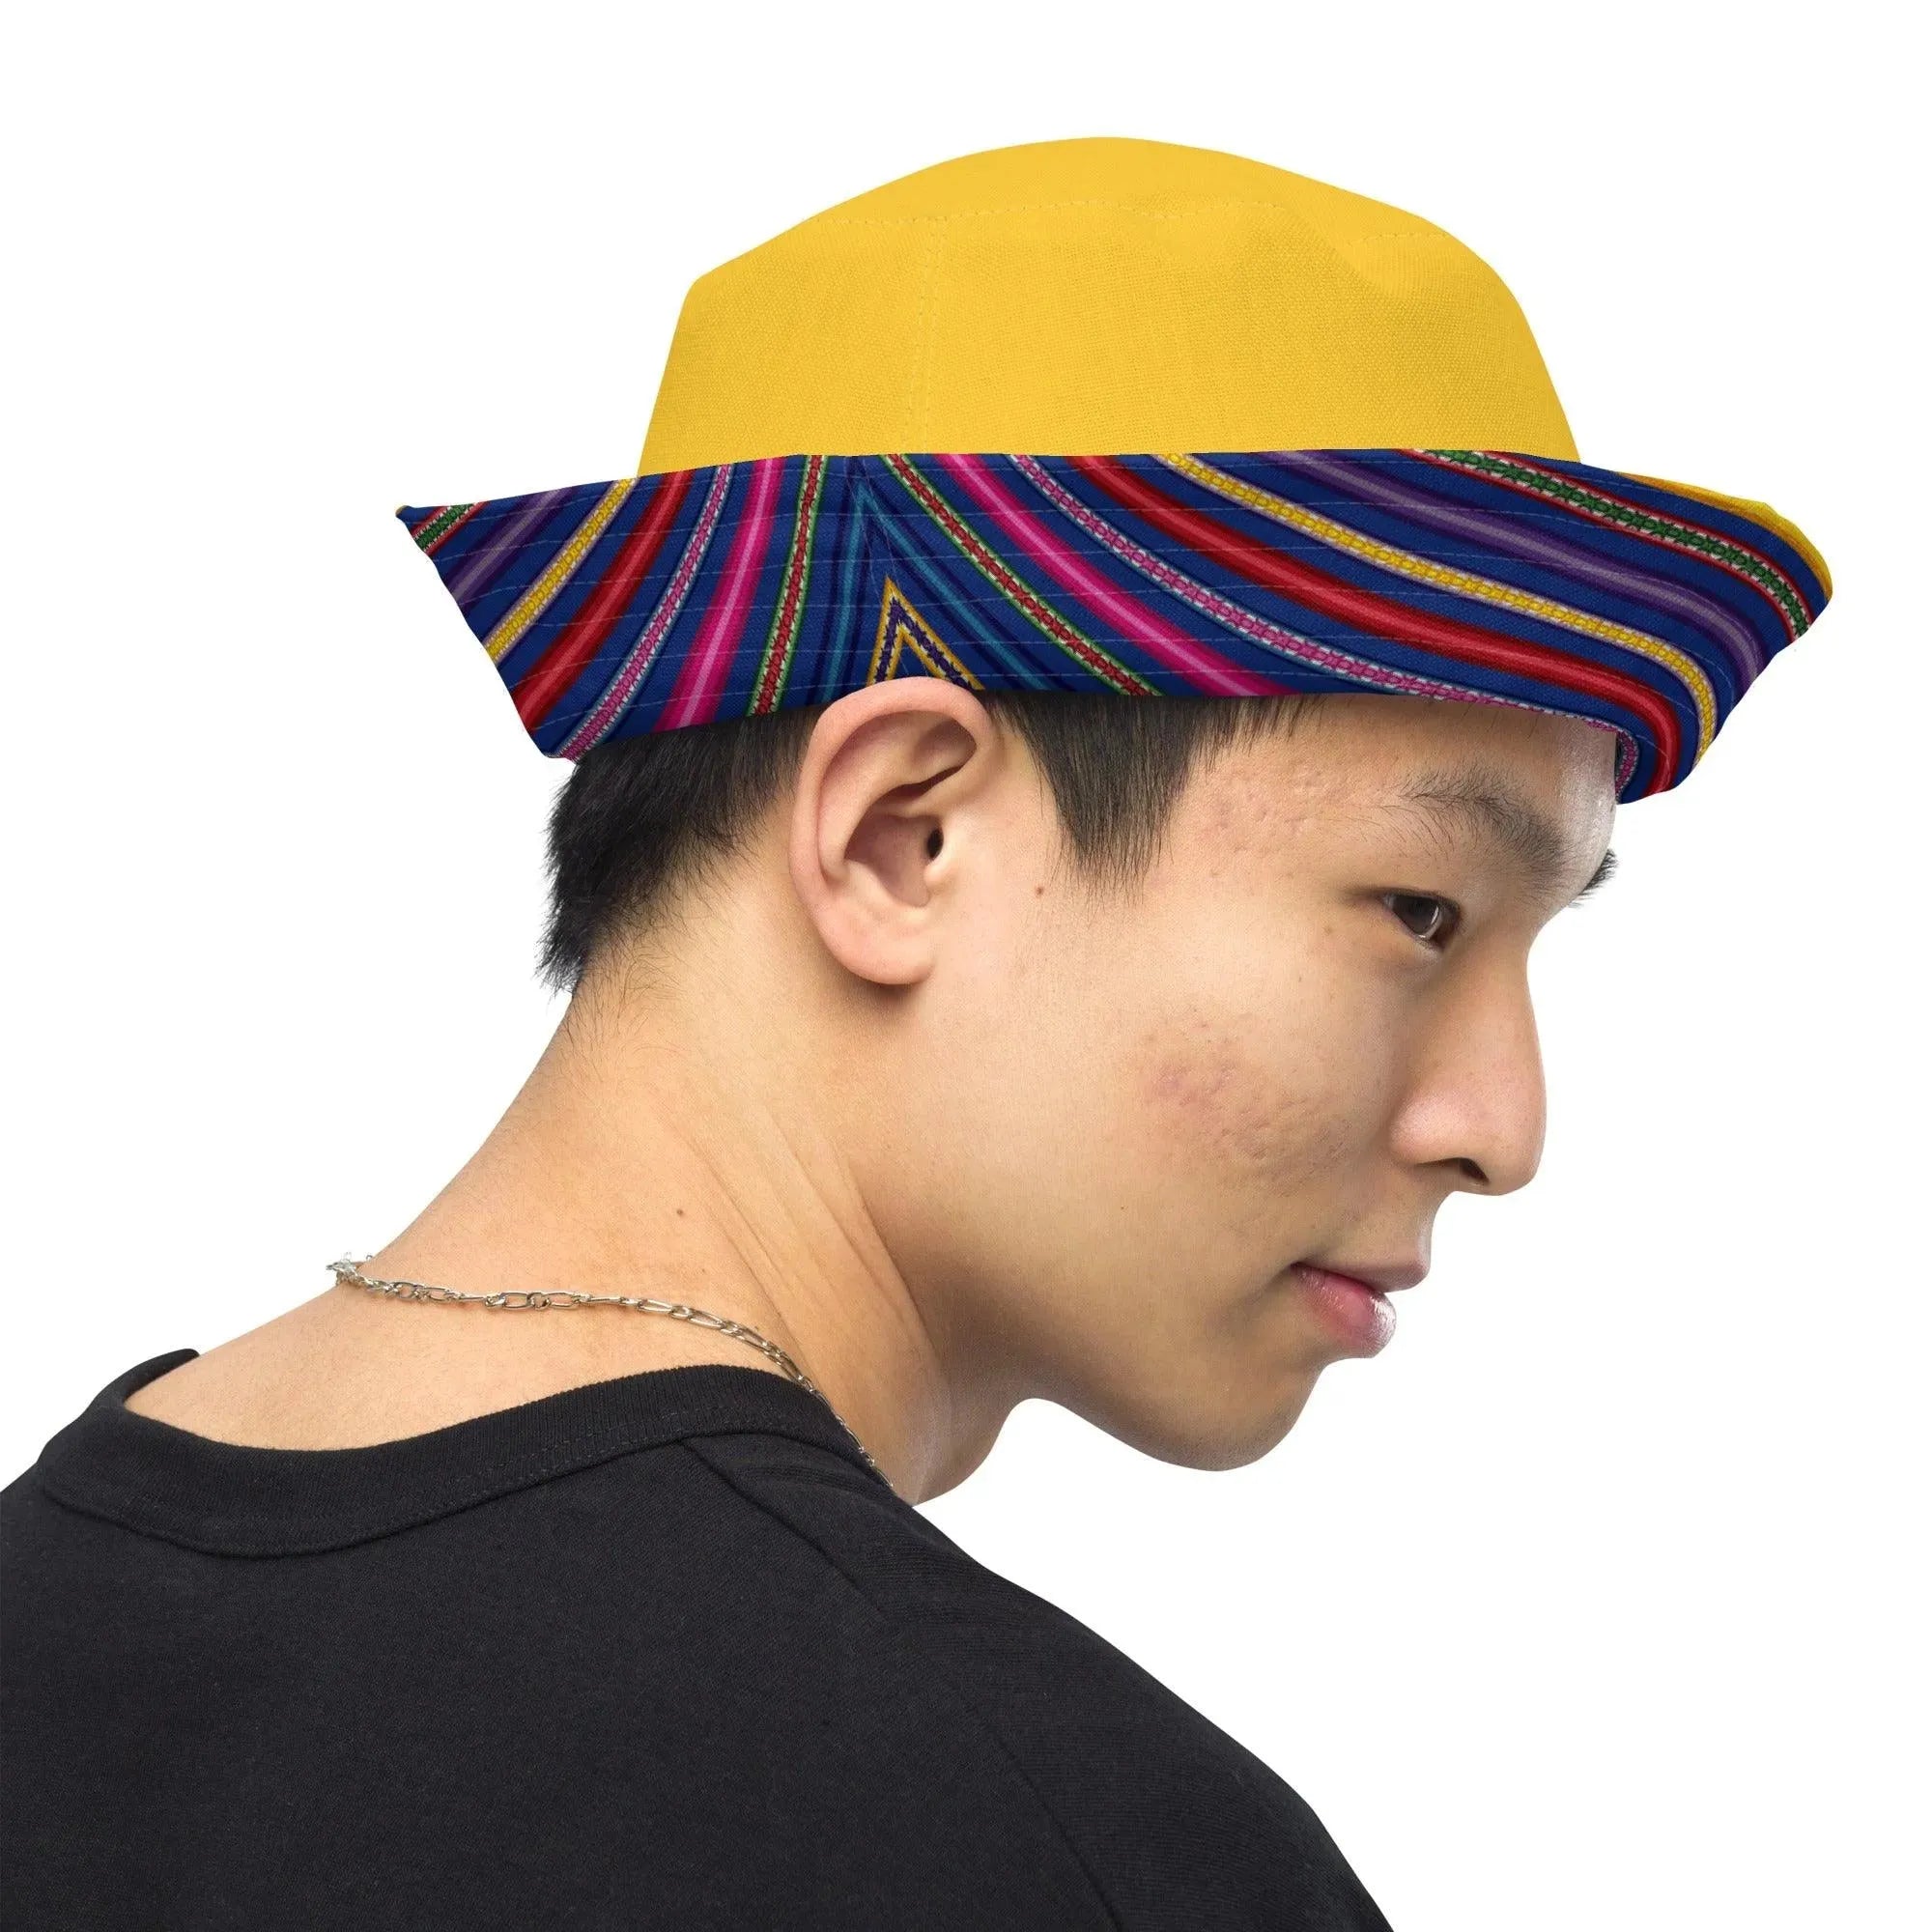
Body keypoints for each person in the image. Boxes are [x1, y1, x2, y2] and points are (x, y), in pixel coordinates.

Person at [0, 136, 1831, 1929]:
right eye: (1421, 913)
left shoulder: (46, 1603)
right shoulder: (1068, 1850)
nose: (1504, 1127)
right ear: (903, 838)